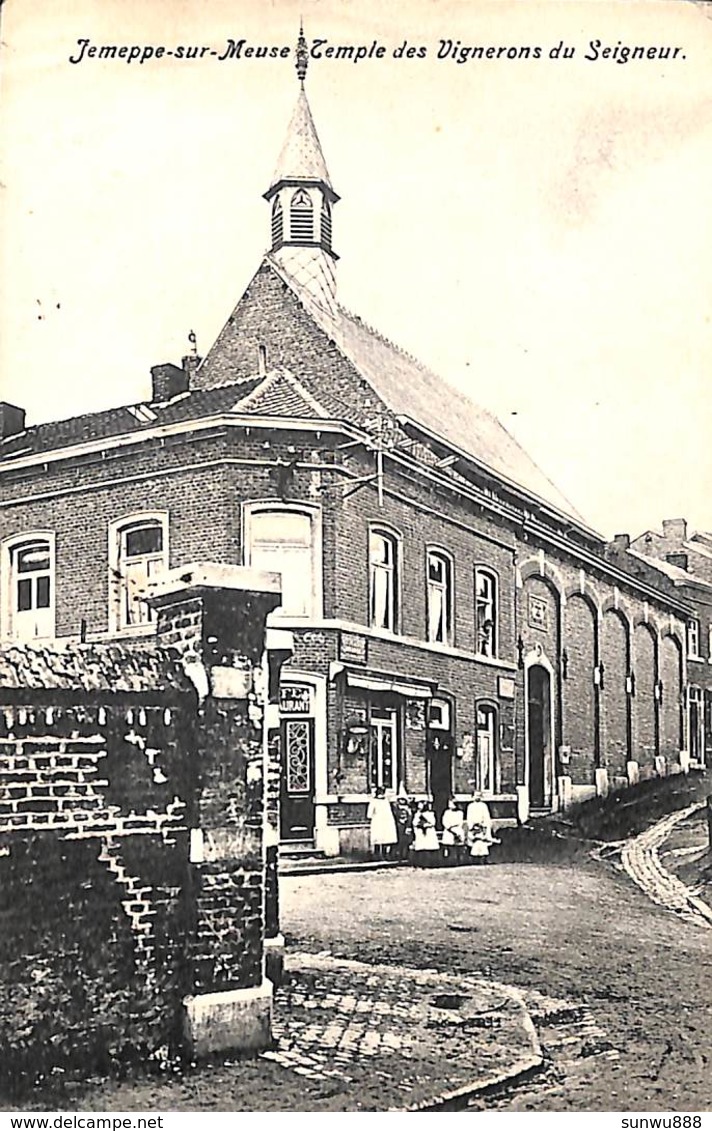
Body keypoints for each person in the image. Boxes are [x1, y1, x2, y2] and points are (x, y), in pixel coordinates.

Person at [367, 786, 398, 858]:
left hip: (384, 821)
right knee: (378, 838)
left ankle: (383, 854)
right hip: (378, 822)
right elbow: (369, 814)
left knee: (384, 838)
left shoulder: (385, 801)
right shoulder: (375, 801)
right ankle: (377, 855)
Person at [466, 791, 494, 864]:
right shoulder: (470, 806)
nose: (477, 797)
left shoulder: (483, 806)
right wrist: (472, 825)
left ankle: (483, 859)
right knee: (475, 842)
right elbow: (469, 817)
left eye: (479, 796)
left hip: (482, 826)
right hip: (474, 826)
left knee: (483, 843)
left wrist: (484, 825)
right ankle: (474, 859)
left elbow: (486, 816)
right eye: (476, 795)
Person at [412, 800, 439, 867]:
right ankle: (421, 863)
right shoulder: (417, 814)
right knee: (421, 848)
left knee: (429, 847)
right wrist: (419, 824)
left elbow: (432, 823)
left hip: (428, 832)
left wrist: (425, 825)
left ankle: (430, 863)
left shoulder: (430, 814)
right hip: (420, 832)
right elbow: (414, 822)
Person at [441, 798, 467, 864]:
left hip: (457, 829)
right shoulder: (446, 812)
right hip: (448, 830)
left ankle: (458, 860)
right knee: (449, 846)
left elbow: (459, 822)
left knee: (458, 846)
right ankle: (448, 860)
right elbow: (444, 821)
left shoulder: (460, 813)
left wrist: (455, 829)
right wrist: (449, 827)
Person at [393, 795, 414, 862]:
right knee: (399, 841)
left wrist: (408, 826)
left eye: (403, 800)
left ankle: (405, 855)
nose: (402, 801)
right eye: (400, 800)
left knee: (406, 841)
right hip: (399, 826)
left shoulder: (408, 809)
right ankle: (399, 855)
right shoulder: (396, 809)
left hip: (406, 826)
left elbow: (410, 818)